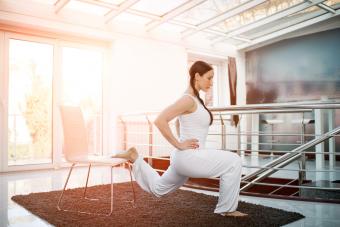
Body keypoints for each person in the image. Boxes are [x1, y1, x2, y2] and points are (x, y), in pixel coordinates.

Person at [114, 61, 247, 217]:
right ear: (197, 76)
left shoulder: (194, 99)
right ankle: (226, 209)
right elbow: (160, 120)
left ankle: (134, 157)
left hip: (185, 157)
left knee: (158, 189)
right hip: (189, 157)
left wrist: (182, 143)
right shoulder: (188, 99)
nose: (212, 82)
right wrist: (179, 144)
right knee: (234, 161)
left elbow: (178, 121)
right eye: (209, 78)